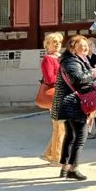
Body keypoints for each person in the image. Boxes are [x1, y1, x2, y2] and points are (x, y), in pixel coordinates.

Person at [51, 35, 96, 181]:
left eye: (86, 45)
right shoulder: (71, 61)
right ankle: (73, 169)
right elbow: (78, 79)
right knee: (80, 136)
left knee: (70, 136)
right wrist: (95, 72)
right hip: (73, 103)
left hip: (70, 102)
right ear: (73, 47)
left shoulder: (75, 59)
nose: (85, 48)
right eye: (82, 46)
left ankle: (64, 168)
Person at [41, 32, 65, 164]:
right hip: (55, 95)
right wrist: (67, 79)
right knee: (60, 126)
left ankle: (48, 153)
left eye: (58, 42)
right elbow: (50, 78)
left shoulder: (61, 57)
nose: (56, 44)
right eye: (53, 42)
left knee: (60, 126)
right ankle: (56, 157)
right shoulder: (48, 59)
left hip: (64, 94)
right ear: (47, 44)